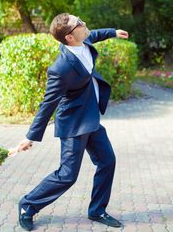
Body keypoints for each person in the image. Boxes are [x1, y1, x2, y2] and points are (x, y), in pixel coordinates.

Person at [17, 13, 129, 231]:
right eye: (79, 24)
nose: (84, 24)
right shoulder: (61, 69)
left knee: (107, 161)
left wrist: (113, 32)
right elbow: (48, 103)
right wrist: (30, 137)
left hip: (91, 117)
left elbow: (94, 34)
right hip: (73, 124)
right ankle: (27, 205)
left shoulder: (83, 39)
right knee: (67, 175)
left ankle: (97, 210)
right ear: (69, 37)